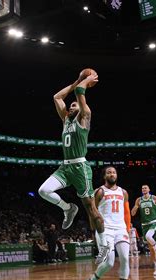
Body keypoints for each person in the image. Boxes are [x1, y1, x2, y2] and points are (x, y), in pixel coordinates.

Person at [38, 70, 109, 264]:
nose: (71, 105)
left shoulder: (85, 116)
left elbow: (79, 91)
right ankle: (68, 208)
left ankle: (103, 247)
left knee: (92, 210)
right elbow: (57, 97)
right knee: (43, 190)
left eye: (74, 104)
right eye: (70, 105)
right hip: (65, 167)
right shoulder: (65, 120)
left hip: (80, 167)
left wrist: (83, 81)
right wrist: (76, 81)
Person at [84, 166, 131, 280]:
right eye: (109, 172)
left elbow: (127, 213)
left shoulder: (124, 192)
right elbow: (92, 212)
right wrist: (93, 231)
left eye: (114, 172)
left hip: (121, 228)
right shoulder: (99, 191)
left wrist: (128, 229)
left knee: (125, 258)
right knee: (109, 262)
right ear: (104, 176)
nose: (112, 174)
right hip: (105, 230)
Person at [131, 184, 156, 276]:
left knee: (148, 237)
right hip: (144, 224)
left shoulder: (154, 198)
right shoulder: (139, 200)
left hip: (153, 222)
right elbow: (133, 214)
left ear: (149, 189)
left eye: (145, 188)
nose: (144, 189)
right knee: (150, 248)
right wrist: (134, 209)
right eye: (142, 188)